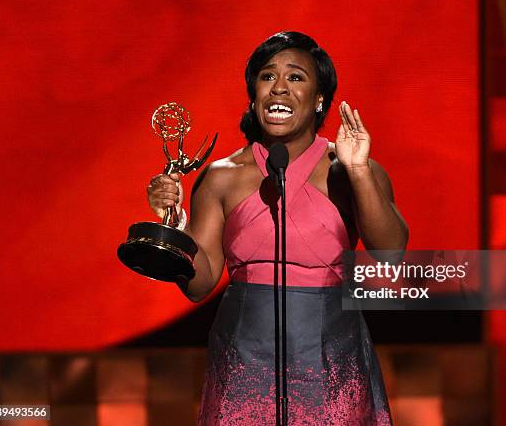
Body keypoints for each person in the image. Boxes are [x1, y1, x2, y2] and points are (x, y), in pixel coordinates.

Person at [147, 31, 408, 425]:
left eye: (296, 77)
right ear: (253, 95)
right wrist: (174, 224)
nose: (279, 88)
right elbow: (199, 285)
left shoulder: (350, 171)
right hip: (244, 360)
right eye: (267, 77)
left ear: (320, 99)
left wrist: (357, 170)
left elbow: (390, 252)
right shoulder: (222, 177)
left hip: (330, 356)